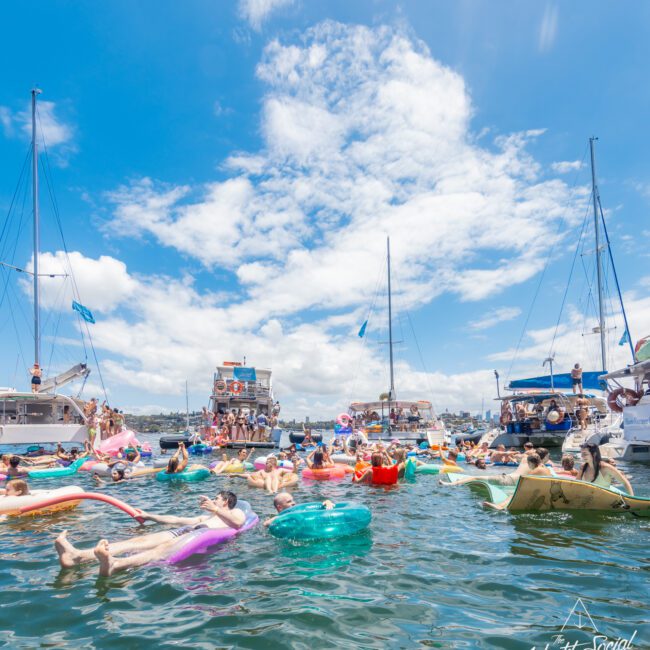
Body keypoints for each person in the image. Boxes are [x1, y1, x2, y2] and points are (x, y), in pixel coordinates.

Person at [55, 491, 245, 575]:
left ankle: (116, 564)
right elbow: (176, 520)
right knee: (137, 541)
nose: (212, 501)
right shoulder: (206, 517)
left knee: (163, 548)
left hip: (199, 536)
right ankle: (77, 556)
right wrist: (149, 516)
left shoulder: (234, 512)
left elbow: (237, 524)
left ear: (225, 502)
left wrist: (215, 509)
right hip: (187, 531)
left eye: (216, 499)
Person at [263, 492, 334, 526]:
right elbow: (265, 524)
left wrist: (328, 502)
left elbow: (318, 506)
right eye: (289, 502)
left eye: (293, 500)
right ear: (280, 507)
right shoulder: (276, 519)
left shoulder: (301, 511)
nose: (293, 503)